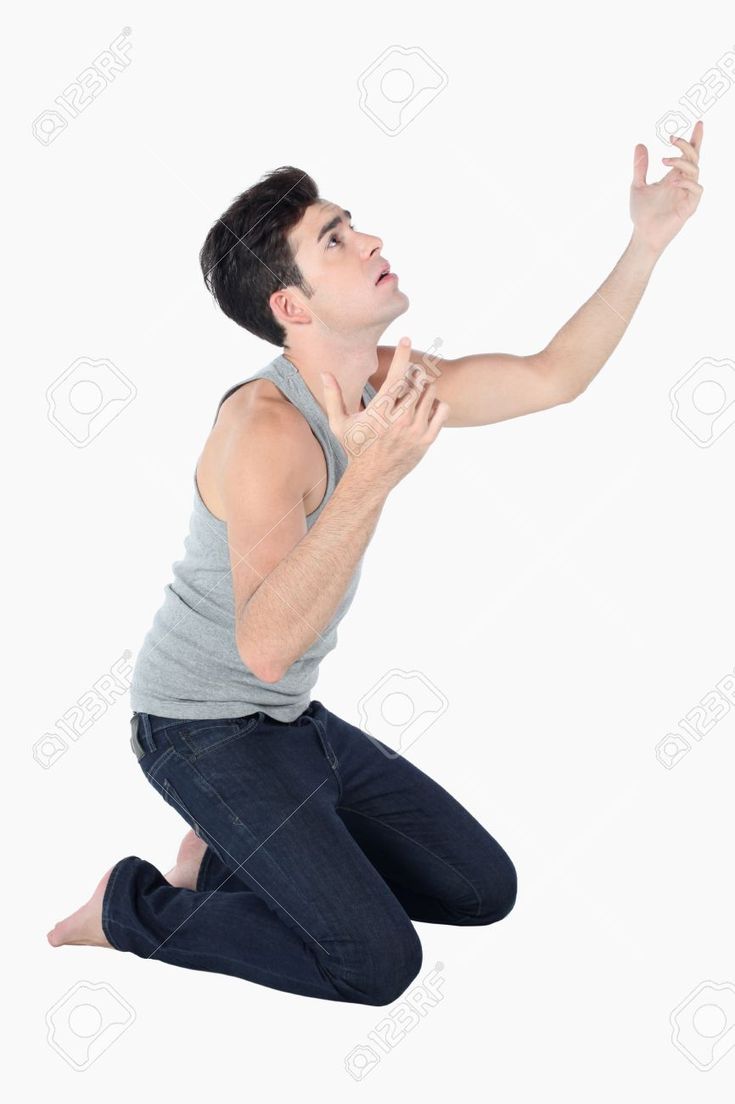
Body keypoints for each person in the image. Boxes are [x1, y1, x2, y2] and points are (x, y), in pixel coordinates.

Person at [46, 131, 704, 1004]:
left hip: (286, 725)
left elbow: (551, 377)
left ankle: (223, 864)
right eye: (336, 240)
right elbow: (267, 648)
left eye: (352, 225)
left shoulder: (386, 380)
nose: (372, 242)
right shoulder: (264, 431)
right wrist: (373, 475)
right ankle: (131, 910)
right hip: (196, 732)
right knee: (377, 965)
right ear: (293, 307)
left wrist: (647, 239)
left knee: (480, 891)